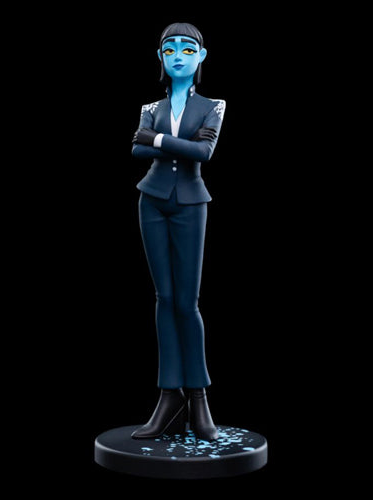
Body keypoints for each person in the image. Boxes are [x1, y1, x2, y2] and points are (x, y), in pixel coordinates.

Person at [131, 22, 225, 441]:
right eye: (170, 49)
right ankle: (169, 395)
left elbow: (204, 152)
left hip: (190, 204)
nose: (178, 56)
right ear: (160, 57)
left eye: (188, 49)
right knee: (164, 299)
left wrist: (157, 140)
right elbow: (136, 147)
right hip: (151, 200)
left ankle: (198, 397)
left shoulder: (213, 105)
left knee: (187, 303)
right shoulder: (150, 106)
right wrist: (158, 141)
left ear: (201, 56)